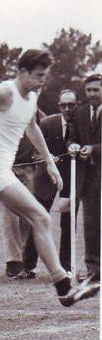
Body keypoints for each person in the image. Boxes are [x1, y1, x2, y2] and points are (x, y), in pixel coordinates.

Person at [0, 49, 98, 305]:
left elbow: (31, 126)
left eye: (45, 75)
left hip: (0, 171)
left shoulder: (31, 96)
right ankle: (64, 288)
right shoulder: (2, 92)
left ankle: (63, 287)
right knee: (38, 217)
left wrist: (50, 163)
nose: (43, 81)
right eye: (39, 75)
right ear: (22, 72)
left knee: (37, 218)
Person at [19, 89, 80, 275]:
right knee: (37, 218)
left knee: (69, 222)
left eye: (71, 105)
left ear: (76, 105)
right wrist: (48, 159)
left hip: (71, 178)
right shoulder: (46, 123)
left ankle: (66, 267)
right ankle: (28, 267)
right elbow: (37, 150)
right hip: (47, 177)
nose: (67, 109)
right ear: (58, 106)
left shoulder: (82, 123)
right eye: (64, 105)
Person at [70, 73, 101, 282]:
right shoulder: (79, 114)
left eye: (96, 90)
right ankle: (94, 270)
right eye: (89, 90)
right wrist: (72, 145)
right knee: (91, 224)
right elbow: (73, 137)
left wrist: (95, 149)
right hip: (89, 178)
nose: (92, 94)